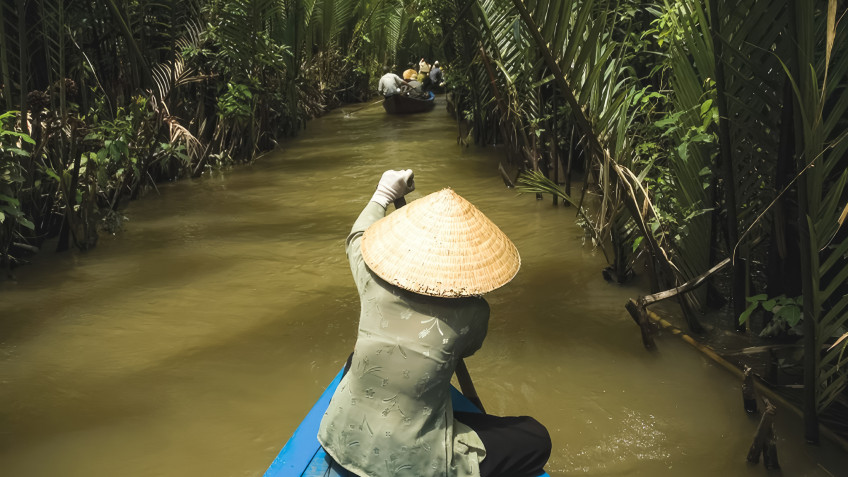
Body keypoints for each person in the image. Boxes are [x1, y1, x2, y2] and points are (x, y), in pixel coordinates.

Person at [317, 170, 551, 477]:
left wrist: (383, 194)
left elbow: (357, 238)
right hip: (409, 465)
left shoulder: (373, 281)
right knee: (536, 436)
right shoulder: (473, 312)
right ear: (467, 261)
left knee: (355, 360)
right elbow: (468, 349)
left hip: (337, 437)